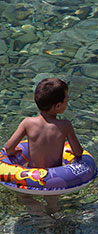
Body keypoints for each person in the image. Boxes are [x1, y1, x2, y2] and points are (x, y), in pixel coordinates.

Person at [3, 78, 83, 213]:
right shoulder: (65, 125)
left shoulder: (27, 123)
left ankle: (39, 212)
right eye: (66, 100)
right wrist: (73, 153)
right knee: (53, 203)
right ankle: (53, 219)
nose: (67, 103)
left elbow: (9, 148)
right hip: (54, 178)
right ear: (58, 106)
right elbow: (78, 152)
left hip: (31, 177)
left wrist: (15, 152)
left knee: (23, 197)